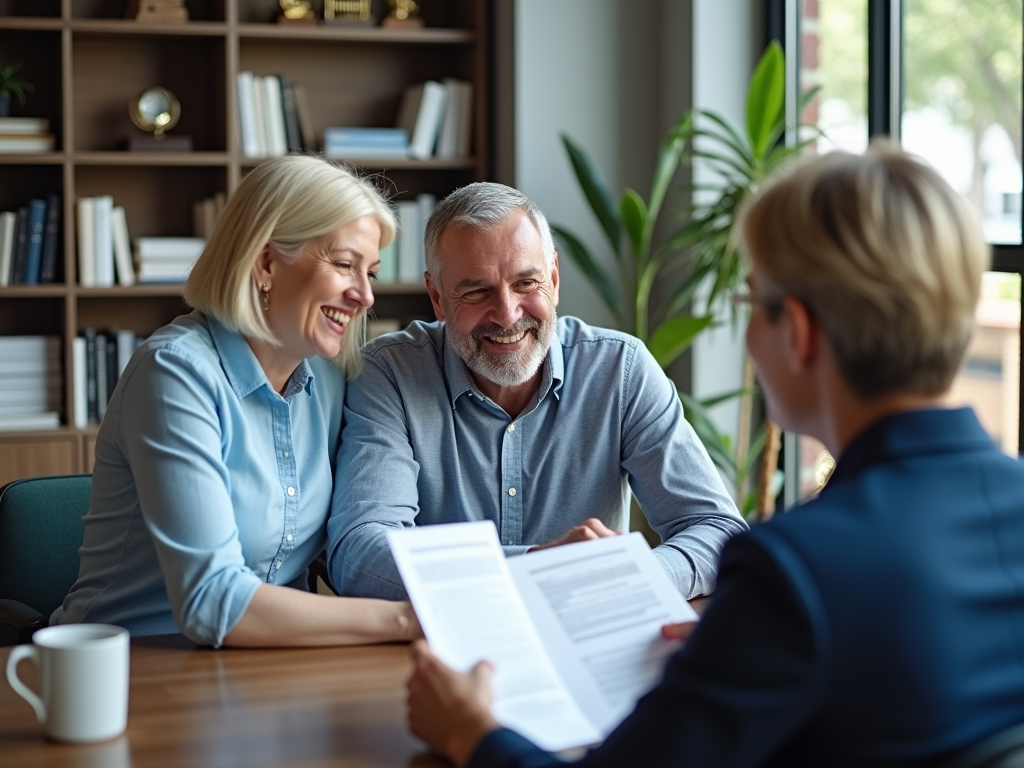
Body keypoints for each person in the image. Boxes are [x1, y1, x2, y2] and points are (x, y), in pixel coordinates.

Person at [404, 143, 1024, 767]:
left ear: (799, 334)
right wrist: (740, 646)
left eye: (750, 303)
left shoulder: (795, 571)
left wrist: (471, 733)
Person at [53, 155, 418, 648]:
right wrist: (404, 620)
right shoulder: (176, 373)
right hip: (132, 667)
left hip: (263, 667)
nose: (366, 296)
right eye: (345, 264)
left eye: (370, 272)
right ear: (266, 263)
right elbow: (212, 599)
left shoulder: (330, 378)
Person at [327, 182, 746, 601]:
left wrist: (628, 576)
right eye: (476, 291)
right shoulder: (389, 374)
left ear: (554, 278)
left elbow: (717, 531)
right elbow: (360, 556)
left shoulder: (620, 369)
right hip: (443, 652)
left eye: (527, 283)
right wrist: (539, 566)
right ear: (437, 297)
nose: (507, 314)